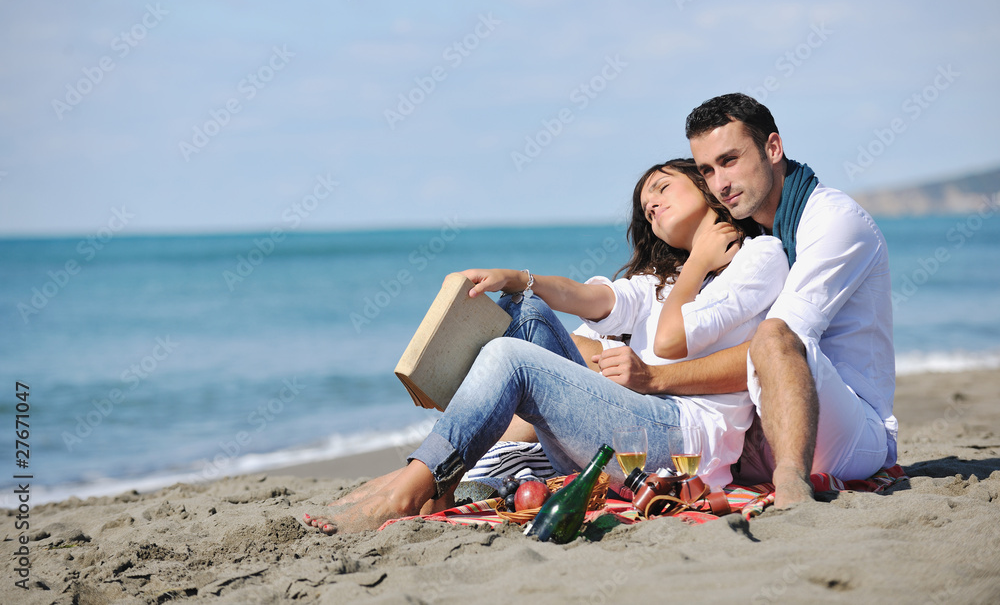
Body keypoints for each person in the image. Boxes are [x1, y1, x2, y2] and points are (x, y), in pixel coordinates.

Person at [303, 158, 789, 534]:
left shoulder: (757, 256)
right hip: (628, 429)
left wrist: (702, 261)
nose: (653, 205)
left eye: (663, 188)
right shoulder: (655, 282)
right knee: (528, 309)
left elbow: (670, 340)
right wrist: (519, 277)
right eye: (646, 208)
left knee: (510, 357)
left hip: (684, 446)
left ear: (707, 187)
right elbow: (586, 297)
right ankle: (426, 474)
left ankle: (415, 487)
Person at [597, 94, 897, 509]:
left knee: (774, 335)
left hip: (847, 432)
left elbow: (776, 346)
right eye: (707, 170)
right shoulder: (753, 236)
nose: (720, 182)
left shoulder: (833, 221)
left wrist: (654, 379)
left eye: (730, 160)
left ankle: (792, 488)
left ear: (772, 148)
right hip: (756, 431)